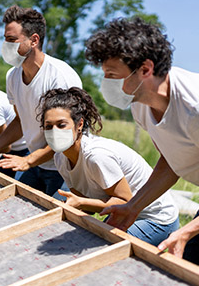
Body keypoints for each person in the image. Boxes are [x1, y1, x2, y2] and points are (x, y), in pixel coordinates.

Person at [85, 17, 199, 279]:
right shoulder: (140, 105)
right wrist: (133, 207)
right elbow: (170, 161)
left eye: (112, 74)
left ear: (145, 69)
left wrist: (187, 230)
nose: (105, 82)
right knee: (183, 273)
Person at [37, 86, 179, 246]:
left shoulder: (96, 156)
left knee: (103, 248)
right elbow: (84, 203)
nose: (54, 131)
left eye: (61, 125)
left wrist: (81, 204)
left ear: (79, 124)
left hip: (154, 218)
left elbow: (125, 202)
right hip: (121, 214)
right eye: (49, 126)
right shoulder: (60, 158)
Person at [0, 5, 82, 197]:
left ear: (34, 40)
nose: (6, 46)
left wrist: (29, 160)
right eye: (5, 39)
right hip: (35, 162)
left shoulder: (60, 77)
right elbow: (21, 120)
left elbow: (68, 135)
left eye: (12, 40)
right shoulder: (12, 76)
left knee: (55, 224)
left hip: (64, 167)